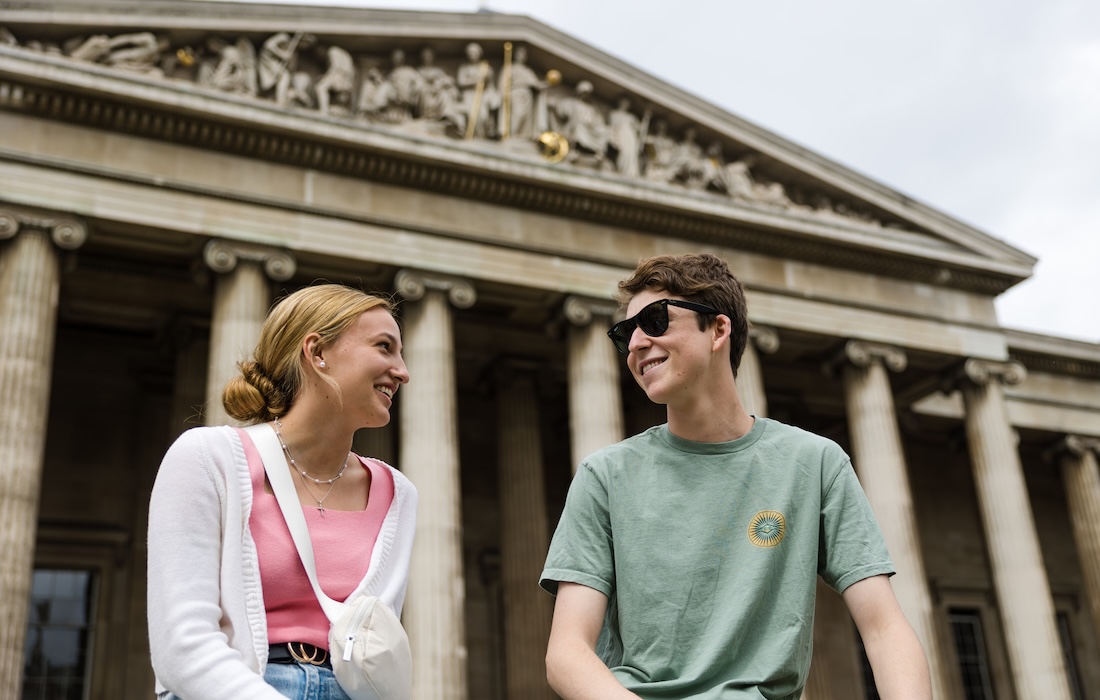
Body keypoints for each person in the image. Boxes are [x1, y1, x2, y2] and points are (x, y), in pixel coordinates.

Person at [540, 253, 932, 699]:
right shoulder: (604, 476)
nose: (634, 344)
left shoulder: (815, 462)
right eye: (624, 333)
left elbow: (884, 628)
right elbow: (567, 653)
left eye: (654, 320)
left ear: (719, 330)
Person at [147, 284, 417, 699]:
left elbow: (373, 652)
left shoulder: (397, 493)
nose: (402, 371)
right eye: (384, 347)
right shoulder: (206, 458)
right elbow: (183, 646)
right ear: (317, 353)